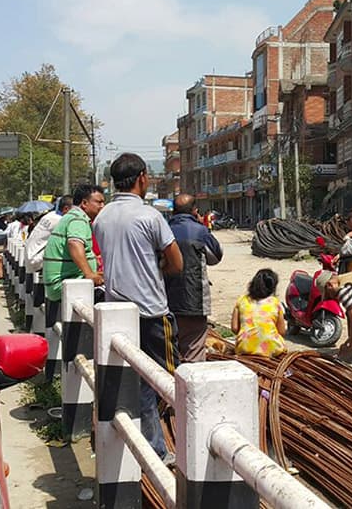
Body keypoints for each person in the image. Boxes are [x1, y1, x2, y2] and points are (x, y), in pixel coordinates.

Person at [93, 153, 183, 464]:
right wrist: (158, 269)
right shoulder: (150, 216)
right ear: (143, 177)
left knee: (133, 380)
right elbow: (177, 262)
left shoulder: (101, 217)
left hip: (116, 311)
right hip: (151, 311)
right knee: (171, 381)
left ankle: (150, 443)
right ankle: (173, 444)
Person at [164, 193, 223, 363]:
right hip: (194, 301)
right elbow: (216, 257)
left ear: (173, 211)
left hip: (167, 301)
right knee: (194, 351)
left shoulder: (164, 229)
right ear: (195, 210)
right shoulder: (200, 231)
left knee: (171, 351)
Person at [43, 186, 105, 305]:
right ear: (84, 203)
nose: (102, 206)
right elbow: (74, 243)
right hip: (64, 287)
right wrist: (89, 274)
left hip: (65, 283)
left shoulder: (71, 217)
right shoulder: (78, 219)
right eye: (99, 202)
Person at [231, 268, 286, 358]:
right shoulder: (275, 303)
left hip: (244, 348)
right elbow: (282, 331)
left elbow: (234, 328)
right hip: (272, 348)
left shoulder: (241, 301)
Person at [25, 196, 73, 273]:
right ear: (66, 209)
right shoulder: (60, 221)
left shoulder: (50, 215)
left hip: (30, 256)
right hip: (38, 260)